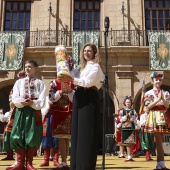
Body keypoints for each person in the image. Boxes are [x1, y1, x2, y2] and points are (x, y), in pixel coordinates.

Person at [59, 43, 105, 170]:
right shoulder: (80, 69)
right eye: (84, 51)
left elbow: (87, 82)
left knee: (86, 133)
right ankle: (75, 165)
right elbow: (69, 75)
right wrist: (64, 65)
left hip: (89, 97)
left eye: (89, 51)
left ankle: (85, 166)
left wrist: (71, 79)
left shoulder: (96, 67)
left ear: (94, 53)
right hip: (80, 97)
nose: (86, 53)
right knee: (77, 132)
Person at [6, 60, 47, 170]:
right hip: (21, 111)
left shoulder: (40, 83)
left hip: (33, 111)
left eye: (30, 67)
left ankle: (29, 163)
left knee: (32, 135)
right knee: (18, 134)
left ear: (35, 68)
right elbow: (14, 97)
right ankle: (19, 163)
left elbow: (42, 99)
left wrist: (32, 102)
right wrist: (22, 101)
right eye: (26, 67)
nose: (27, 69)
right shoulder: (19, 82)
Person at [49, 45, 75, 169]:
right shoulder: (55, 81)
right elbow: (50, 97)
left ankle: (65, 160)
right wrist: (59, 93)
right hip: (59, 112)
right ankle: (64, 160)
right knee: (61, 138)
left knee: (67, 138)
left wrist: (70, 91)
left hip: (70, 112)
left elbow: (76, 98)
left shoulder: (74, 81)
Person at [144, 72, 170, 170]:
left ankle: (159, 164)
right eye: (156, 80)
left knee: (161, 141)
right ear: (152, 81)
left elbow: (167, 106)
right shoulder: (148, 93)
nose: (158, 81)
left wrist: (162, 99)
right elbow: (148, 106)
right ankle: (161, 165)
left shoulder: (166, 93)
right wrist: (158, 99)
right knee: (159, 141)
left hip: (163, 115)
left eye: (159, 80)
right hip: (154, 116)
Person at [117, 96, 140, 162]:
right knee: (126, 142)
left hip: (131, 127)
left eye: (129, 102)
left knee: (130, 142)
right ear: (125, 103)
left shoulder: (133, 111)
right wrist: (126, 116)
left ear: (131, 103)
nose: (128, 103)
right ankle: (128, 156)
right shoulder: (122, 111)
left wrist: (131, 117)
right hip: (125, 128)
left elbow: (135, 119)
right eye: (127, 102)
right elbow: (120, 119)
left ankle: (130, 156)